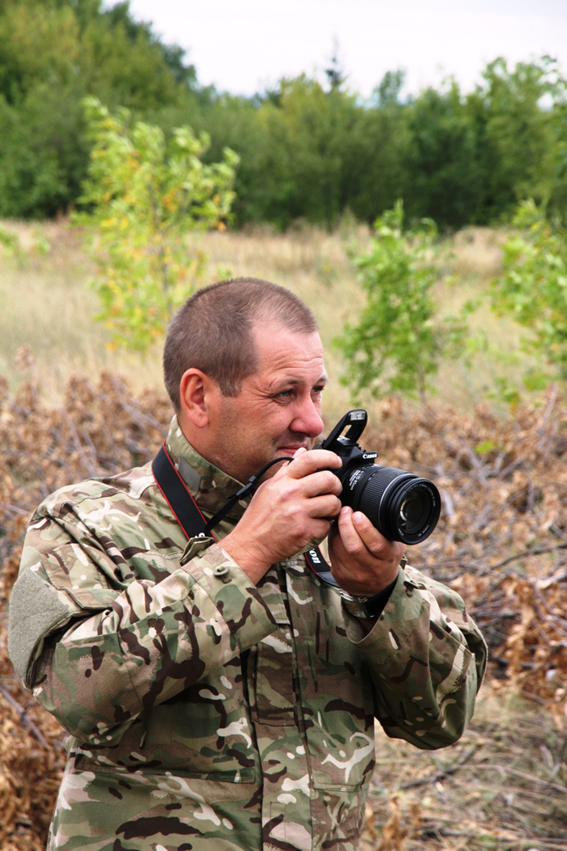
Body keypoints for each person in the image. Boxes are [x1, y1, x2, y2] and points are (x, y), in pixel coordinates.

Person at [9, 277, 487, 851]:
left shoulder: (330, 525)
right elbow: (77, 693)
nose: (312, 421)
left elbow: (441, 720)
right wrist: (248, 553)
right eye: (285, 394)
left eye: (317, 391)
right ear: (199, 396)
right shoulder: (85, 522)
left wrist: (384, 593)